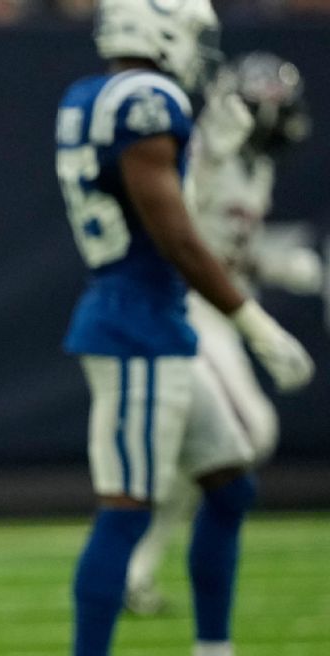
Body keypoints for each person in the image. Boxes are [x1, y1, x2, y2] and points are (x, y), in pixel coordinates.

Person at [51, 1, 314, 656]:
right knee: (126, 508)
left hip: (150, 318)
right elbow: (176, 232)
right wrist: (251, 319)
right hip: (137, 323)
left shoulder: (87, 96)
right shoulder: (147, 98)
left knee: (229, 486)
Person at [123, 51, 320, 617]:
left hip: (221, 309)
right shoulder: (206, 148)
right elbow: (177, 221)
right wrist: (210, 159)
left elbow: (226, 246)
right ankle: (136, 564)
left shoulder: (256, 166)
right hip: (188, 304)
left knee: (230, 445)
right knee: (246, 434)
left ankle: (137, 567)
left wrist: (273, 267)